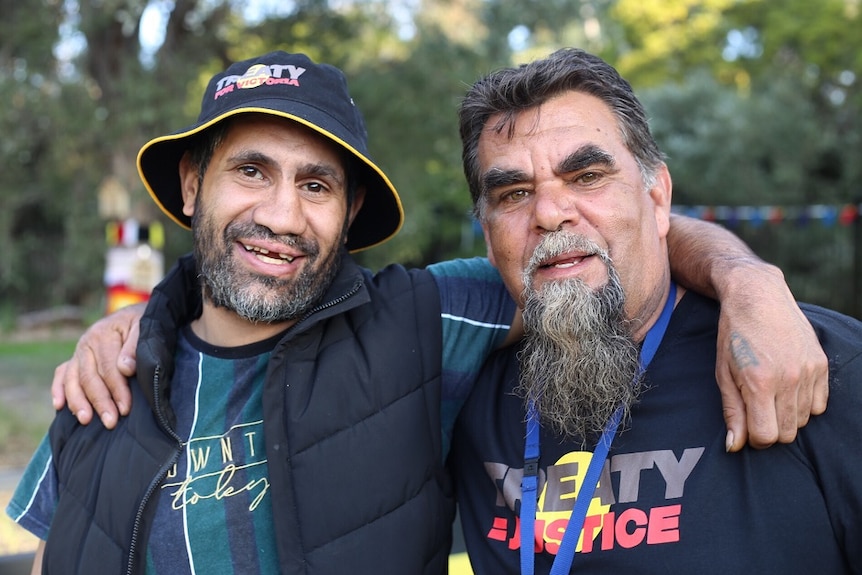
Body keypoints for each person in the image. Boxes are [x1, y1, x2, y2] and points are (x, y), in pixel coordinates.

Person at [6, 50, 826, 575]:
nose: (283, 216)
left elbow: (602, 242)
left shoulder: (425, 321)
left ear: (350, 210)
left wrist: (750, 279)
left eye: (316, 185)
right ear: (192, 184)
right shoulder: (102, 389)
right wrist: (130, 324)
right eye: (250, 171)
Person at [449, 47, 861, 574]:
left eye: (587, 177)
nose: (550, 214)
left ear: (658, 198)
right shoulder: (456, 381)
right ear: (488, 233)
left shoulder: (808, 362)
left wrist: (745, 276)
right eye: (513, 193)